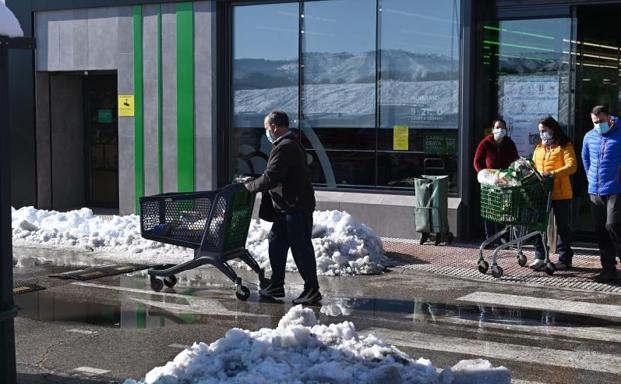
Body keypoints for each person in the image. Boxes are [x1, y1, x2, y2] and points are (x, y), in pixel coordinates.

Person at [244, 111, 322, 304]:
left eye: (266, 128)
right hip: (286, 208)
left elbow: (272, 177)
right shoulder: (286, 144)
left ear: (274, 127)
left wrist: (249, 188)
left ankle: (312, 289)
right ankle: (277, 285)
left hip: (295, 207)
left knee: (300, 248)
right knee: (276, 243)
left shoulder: (286, 146)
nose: (266, 133)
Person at [529, 116, 577, 271]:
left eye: (544, 130)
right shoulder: (539, 148)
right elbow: (534, 166)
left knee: (563, 227)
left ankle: (565, 258)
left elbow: (572, 166)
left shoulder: (564, 145)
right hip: (542, 193)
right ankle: (539, 256)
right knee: (538, 224)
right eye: (540, 131)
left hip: (561, 192)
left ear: (552, 129)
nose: (542, 134)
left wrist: (553, 173)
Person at [582, 105, 621, 283]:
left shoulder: (619, 134)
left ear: (609, 117)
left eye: (601, 121)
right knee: (600, 231)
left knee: (613, 226)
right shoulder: (589, 136)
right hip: (595, 191)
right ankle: (608, 270)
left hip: (615, 189)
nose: (598, 125)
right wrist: (591, 178)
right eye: (595, 122)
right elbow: (585, 158)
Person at [473, 119, 519, 242]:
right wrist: (484, 174)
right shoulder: (485, 143)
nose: (500, 130)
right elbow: (477, 161)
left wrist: (511, 174)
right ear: (493, 130)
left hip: (505, 180)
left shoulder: (509, 143)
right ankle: (490, 238)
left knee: (503, 208)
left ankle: (501, 237)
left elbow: (515, 159)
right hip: (490, 181)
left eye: (503, 128)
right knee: (490, 209)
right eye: (498, 127)